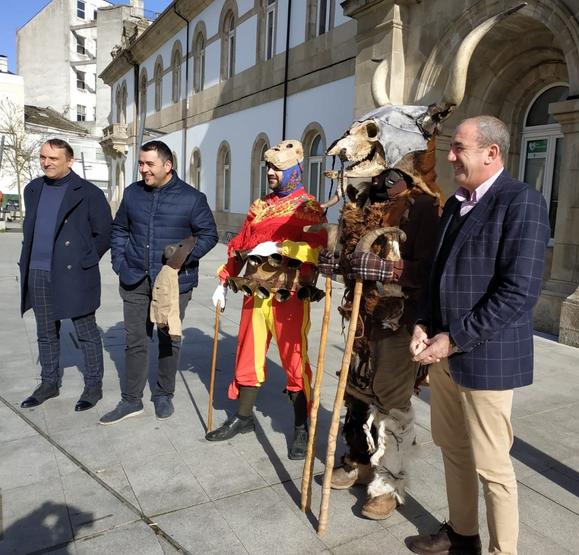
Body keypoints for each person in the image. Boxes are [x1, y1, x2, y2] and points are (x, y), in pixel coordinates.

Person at [406, 116, 550, 555]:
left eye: (459, 149)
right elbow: (437, 274)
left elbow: (518, 293)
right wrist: (423, 324)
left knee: (492, 467)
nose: (449, 157)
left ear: (492, 153)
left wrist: (453, 338)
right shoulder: (455, 203)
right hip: (444, 353)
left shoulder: (521, 202)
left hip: (486, 356)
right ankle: (462, 536)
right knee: (452, 448)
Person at [318, 169, 439, 520]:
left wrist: (391, 271)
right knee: (356, 390)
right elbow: (354, 258)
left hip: (400, 321)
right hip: (362, 316)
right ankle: (358, 461)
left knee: (391, 400)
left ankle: (389, 485)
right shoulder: (365, 202)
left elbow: (432, 270)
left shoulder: (424, 206)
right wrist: (336, 262)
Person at [205, 139, 325, 460]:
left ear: (296, 170)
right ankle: (243, 418)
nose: (270, 172)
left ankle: (301, 427)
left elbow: (317, 248)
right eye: (269, 167)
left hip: (289, 292)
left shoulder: (308, 207)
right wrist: (224, 278)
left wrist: (280, 248)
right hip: (254, 291)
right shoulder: (259, 206)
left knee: (294, 358)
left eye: (277, 168)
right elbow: (241, 244)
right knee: (248, 352)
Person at [99, 140, 217, 425]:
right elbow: (119, 229)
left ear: (168, 165)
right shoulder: (132, 194)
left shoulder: (192, 198)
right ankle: (131, 399)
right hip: (135, 277)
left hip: (173, 284)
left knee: (168, 339)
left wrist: (180, 260)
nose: (143, 170)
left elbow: (209, 235)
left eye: (149, 164)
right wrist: (119, 262)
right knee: (135, 340)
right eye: (141, 164)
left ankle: (164, 394)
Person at [18, 138, 112, 412]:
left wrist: (87, 259)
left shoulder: (89, 193)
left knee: (86, 332)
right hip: (38, 270)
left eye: (53, 159)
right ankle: (49, 383)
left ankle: (93, 385)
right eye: (43, 157)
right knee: (45, 332)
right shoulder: (32, 189)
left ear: (69, 161)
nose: (46, 163)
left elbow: (104, 232)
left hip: (74, 274)